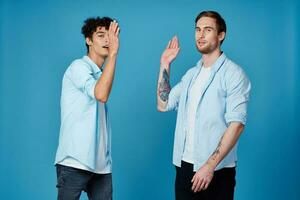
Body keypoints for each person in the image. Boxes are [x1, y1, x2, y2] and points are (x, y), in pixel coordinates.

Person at [156, 11, 251, 200]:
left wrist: (209, 166)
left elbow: (237, 124)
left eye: (207, 30)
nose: (200, 35)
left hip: (216, 171)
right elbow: (163, 104)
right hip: (184, 167)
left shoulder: (234, 74)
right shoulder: (191, 75)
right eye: (198, 30)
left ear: (221, 35)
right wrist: (165, 64)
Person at [54, 16, 120, 200]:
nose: (107, 40)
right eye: (101, 35)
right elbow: (101, 94)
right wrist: (113, 54)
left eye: (110, 36)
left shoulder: (102, 74)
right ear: (88, 40)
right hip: (74, 161)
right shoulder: (78, 67)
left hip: (102, 166)